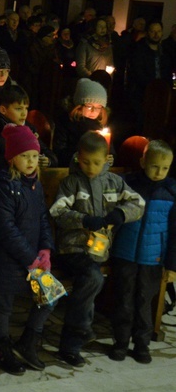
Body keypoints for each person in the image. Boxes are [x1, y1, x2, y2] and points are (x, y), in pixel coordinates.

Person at [49, 131, 145, 367]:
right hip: (71, 249)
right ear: (78, 158)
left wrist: (121, 214)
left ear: (106, 160)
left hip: (98, 250)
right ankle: (75, 339)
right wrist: (83, 219)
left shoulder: (114, 182)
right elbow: (57, 212)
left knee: (91, 281)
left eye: (96, 162)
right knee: (93, 278)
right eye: (85, 161)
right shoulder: (71, 182)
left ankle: (78, 334)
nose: (90, 167)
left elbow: (138, 203)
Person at [0, 125, 55, 374]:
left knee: (49, 296)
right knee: (3, 304)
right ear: (12, 157)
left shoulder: (35, 185)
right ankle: (2, 347)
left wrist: (45, 249)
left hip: (33, 258)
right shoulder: (4, 185)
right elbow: (6, 229)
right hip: (6, 259)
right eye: (25, 155)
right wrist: (31, 257)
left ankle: (27, 342)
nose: (31, 161)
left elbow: (43, 218)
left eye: (34, 156)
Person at [109, 140, 176, 363]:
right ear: (143, 162)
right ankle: (120, 342)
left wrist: (172, 263)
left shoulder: (171, 191)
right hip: (125, 253)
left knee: (144, 301)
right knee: (124, 299)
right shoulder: (128, 184)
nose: (159, 172)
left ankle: (142, 344)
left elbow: (175, 230)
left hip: (153, 257)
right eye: (155, 165)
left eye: (165, 167)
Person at [0, 85, 56, 169]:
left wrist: (48, 161)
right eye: (18, 109)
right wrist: (15, 159)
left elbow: (49, 153)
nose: (24, 113)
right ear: (3, 110)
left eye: (26, 108)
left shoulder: (28, 128)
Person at [53, 78, 111, 167]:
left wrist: (110, 158)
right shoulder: (66, 122)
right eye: (89, 106)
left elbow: (110, 148)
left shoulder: (100, 125)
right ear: (79, 106)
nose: (93, 111)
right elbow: (59, 152)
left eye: (98, 107)